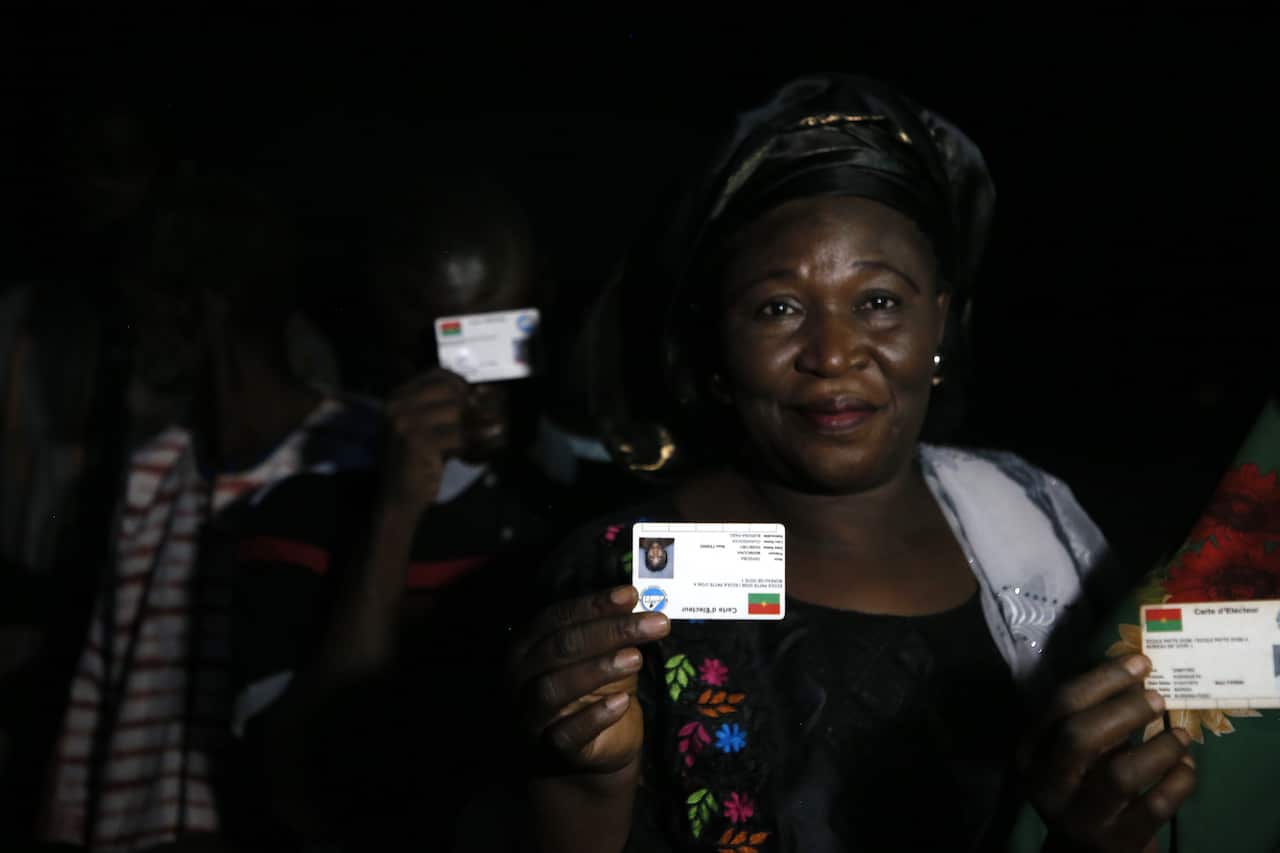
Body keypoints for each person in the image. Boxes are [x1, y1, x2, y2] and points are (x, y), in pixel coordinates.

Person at [507, 74, 1196, 853]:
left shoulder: (1036, 523)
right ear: (715, 345)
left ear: (940, 320)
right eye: (779, 308)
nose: (833, 354)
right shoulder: (622, 571)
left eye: (879, 301)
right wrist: (580, 781)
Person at [37, 174, 379, 852]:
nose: (128, 339)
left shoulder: (360, 455)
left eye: (144, 309)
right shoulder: (156, 469)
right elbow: (108, 679)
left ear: (208, 309)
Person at [228, 171, 561, 851]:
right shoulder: (294, 515)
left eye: (496, 333)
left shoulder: (565, 507)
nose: (469, 367)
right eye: (440, 340)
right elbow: (298, 784)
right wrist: (398, 508)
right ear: (390, 340)